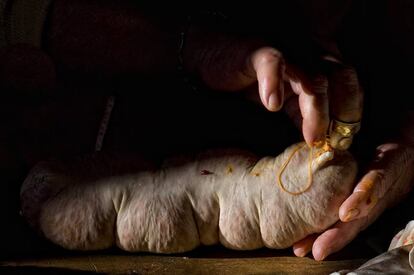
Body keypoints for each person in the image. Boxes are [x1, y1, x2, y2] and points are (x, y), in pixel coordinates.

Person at [1, 0, 413, 270]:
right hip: (82, 134)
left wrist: (407, 147)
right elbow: (26, 19)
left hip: (326, 120)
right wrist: (191, 49)